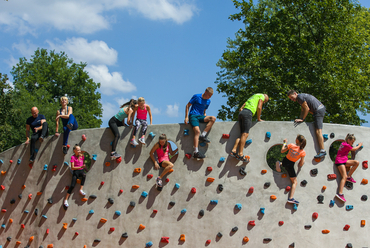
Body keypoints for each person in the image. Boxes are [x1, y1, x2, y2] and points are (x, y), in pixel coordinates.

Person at [287, 90, 326, 158]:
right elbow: (303, 109)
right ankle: (322, 150)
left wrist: (302, 119)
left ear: (295, 93)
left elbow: (307, 109)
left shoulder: (300, 97)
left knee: (318, 131)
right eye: (290, 99)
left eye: (292, 97)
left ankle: (322, 151)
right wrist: (300, 118)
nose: (292, 99)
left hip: (318, 111)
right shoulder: (301, 98)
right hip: (318, 110)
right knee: (316, 129)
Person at [230, 93, 268, 162]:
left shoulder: (253, 96)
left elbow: (242, 106)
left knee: (242, 135)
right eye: (265, 101)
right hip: (248, 113)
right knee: (245, 134)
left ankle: (233, 150)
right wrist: (259, 118)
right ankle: (240, 154)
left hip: (242, 113)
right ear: (265, 97)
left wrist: (242, 108)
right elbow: (259, 107)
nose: (264, 102)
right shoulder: (261, 96)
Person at [184, 87, 216, 159]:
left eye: (211, 96)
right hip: (193, 116)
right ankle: (196, 152)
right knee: (197, 131)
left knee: (213, 118)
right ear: (205, 92)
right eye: (208, 95)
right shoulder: (196, 96)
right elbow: (187, 105)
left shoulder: (208, 101)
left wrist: (205, 116)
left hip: (201, 116)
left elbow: (204, 110)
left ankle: (203, 135)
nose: (209, 97)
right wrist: (186, 117)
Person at [276, 135, 306, 204]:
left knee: (284, 164)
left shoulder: (291, 145)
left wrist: (284, 143)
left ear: (297, 140)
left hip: (285, 160)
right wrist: (302, 162)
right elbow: (301, 164)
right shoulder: (302, 152)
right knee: (295, 182)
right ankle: (291, 198)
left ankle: (280, 164)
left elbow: (282, 151)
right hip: (290, 165)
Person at [334, 134, 362, 202]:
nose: (352, 143)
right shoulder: (346, 145)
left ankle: (349, 176)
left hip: (344, 160)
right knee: (344, 177)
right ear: (348, 140)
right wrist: (359, 145)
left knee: (356, 162)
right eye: (352, 142)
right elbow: (354, 149)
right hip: (340, 161)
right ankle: (340, 193)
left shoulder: (343, 143)